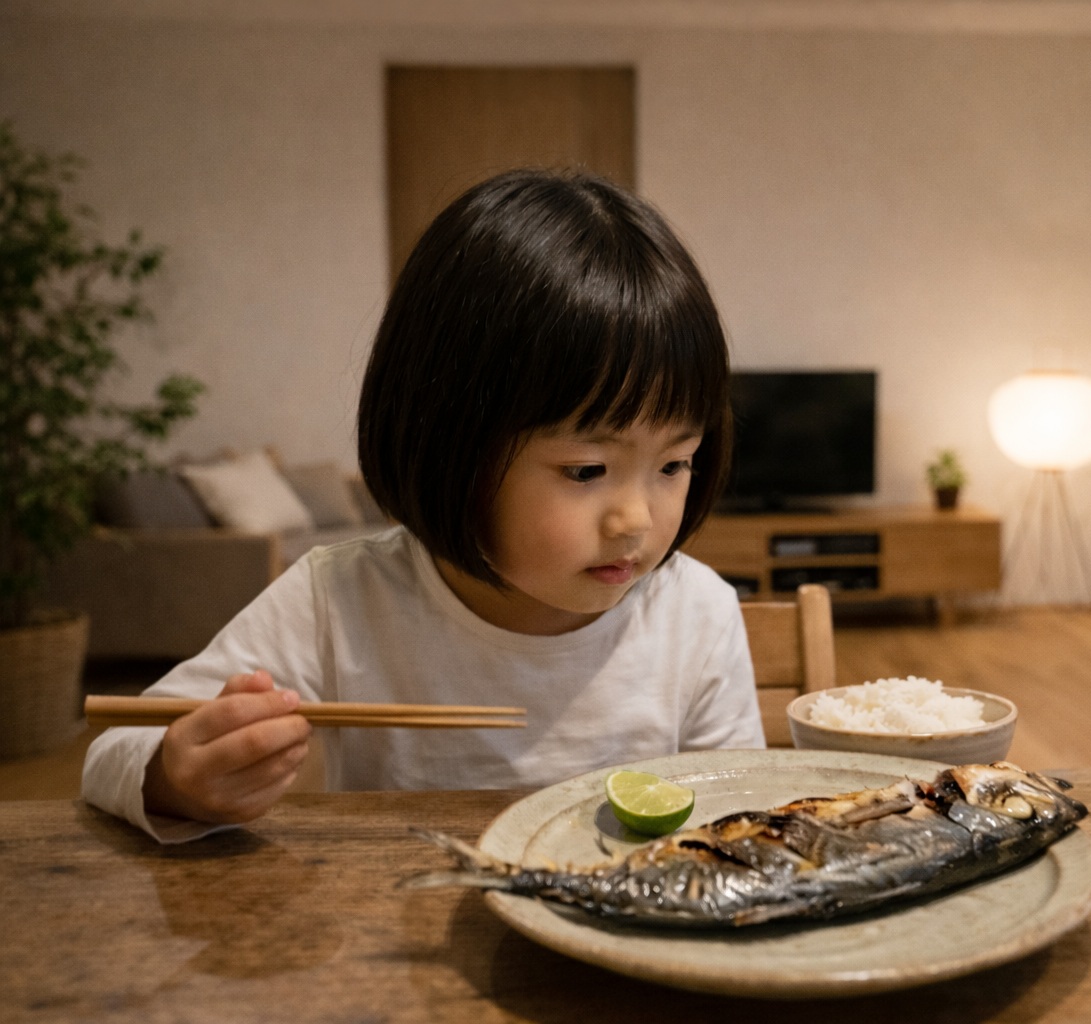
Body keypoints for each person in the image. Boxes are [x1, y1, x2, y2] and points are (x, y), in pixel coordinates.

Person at [82, 169, 766, 842]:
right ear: (450, 439)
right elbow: (115, 748)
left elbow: (738, 814)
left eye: (674, 464)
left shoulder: (695, 614)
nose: (636, 520)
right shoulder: (342, 600)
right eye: (587, 470)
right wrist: (179, 777)